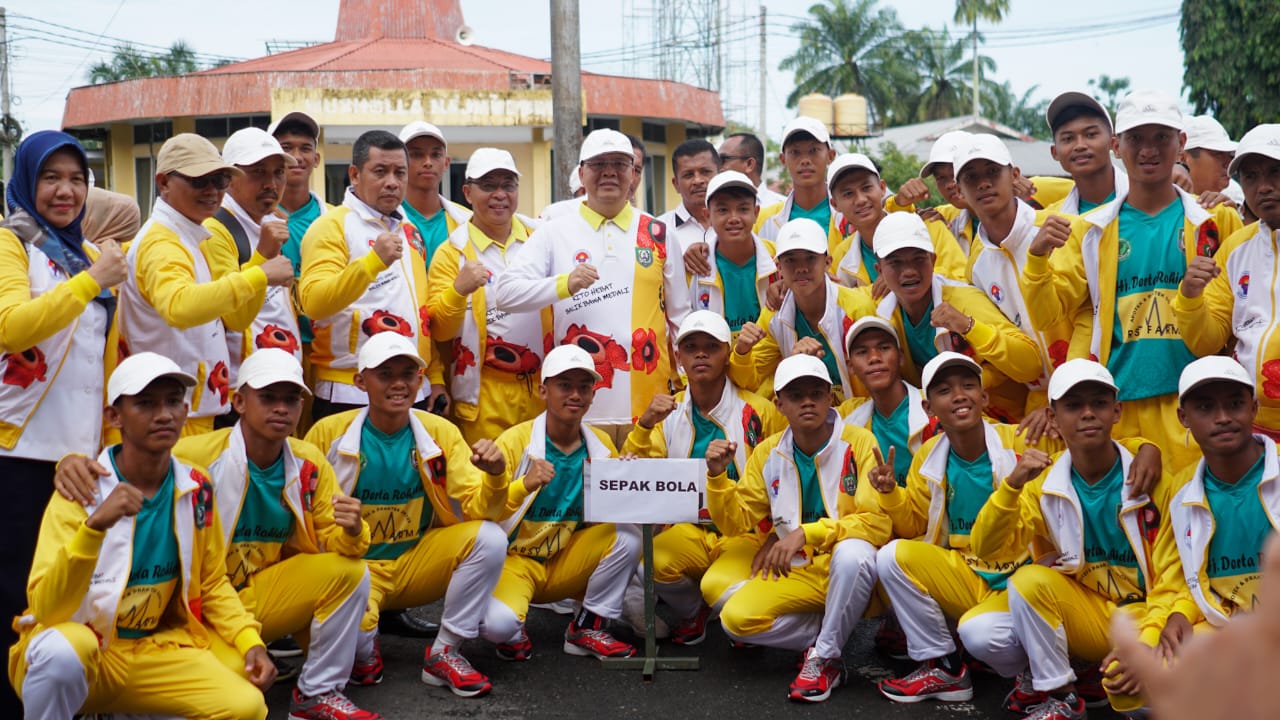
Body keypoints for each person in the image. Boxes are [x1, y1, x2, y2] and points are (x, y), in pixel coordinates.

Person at [55, 349, 379, 720]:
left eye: (291, 399)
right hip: (195, 608)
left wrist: (354, 531)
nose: (281, 408)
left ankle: (317, 693)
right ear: (239, 401)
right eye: (268, 397)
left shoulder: (308, 462)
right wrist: (70, 461)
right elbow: (127, 458)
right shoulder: (197, 454)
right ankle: (114, 701)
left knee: (351, 572)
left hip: (251, 596)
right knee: (226, 690)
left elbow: (340, 544)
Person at [8, 353, 273, 720]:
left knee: (246, 706)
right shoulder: (81, 489)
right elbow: (48, 609)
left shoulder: (196, 484)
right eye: (145, 403)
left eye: (173, 401)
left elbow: (211, 581)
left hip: (155, 652)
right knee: (61, 654)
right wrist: (93, 529)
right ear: (114, 417)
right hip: (93, 656)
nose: (163, 414)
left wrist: (250, 641)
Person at [1021, 89, 1244, 467]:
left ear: (1181, 145)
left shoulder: (1215, 222)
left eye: (1162, 137)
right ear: (1117, 146)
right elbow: (1046, 317)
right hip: (1121, 413)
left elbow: (1221, 330)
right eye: (1136, 138)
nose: (1149, 150)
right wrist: (1037, 258)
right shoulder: (1090, 231)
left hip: (1197, 406)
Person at [303, 332, 508, 698]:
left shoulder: (440, 431)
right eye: (385, 374)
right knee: (355, 654)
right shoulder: (327, 433)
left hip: (416, 562)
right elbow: (305, 517)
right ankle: (364, 647)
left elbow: (479, 507)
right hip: (356, 570)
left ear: (420, 379)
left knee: (490, 538)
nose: (398, 384)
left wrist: (495, 477)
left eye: (408, 374)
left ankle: (445, 651)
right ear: (360, 381)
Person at [0, 131, 127, 717]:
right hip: (19, 451)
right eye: (52, 177)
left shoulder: (81, 253)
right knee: (13, 594)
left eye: (78, 178)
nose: (66, 190)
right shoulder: (10, 244)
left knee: (62, 594)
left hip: (76, 456)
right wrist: (92, 281)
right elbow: (11, 326)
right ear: (28, 180)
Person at [969, 359, 1170, 720]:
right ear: (1053, 417)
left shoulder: (1151, 477)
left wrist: (1147, 638)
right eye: (1074, 406)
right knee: (983, 629)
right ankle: (1060, 695)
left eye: (1099, 403)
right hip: (1087, 609)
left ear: (1117, 411)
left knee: (1152, 702)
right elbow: (985, 548)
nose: (1088, 414)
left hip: (1147, 613)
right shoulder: (1042, 482)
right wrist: (1011, 486)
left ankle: (1100, 673)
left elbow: (1175, 577)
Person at [876, 352, 1061, 704]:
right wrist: (890, 494)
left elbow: (1086, 457)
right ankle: (944, 666)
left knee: (978, 633)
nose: (959, 395)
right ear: (929, 407)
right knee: (891, 558)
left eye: (968, 386)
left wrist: (1144, 448)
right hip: (969, 574)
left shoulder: (1022, 441)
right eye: (945, 390)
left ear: (984, 397)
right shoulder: (929, 455)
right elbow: (914, 524)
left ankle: (1036, 671)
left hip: (1024, 580)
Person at [707, 353, 889, 703]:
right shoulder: (767, 453)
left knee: (854, 553)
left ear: (829, 398)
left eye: (816, 393)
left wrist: (806, 533)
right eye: (795, 395)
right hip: (800, 571)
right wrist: (716, 478)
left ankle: (825, 658)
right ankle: (830, 633)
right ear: (779, 404)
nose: (807, 401)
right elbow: (736, 522)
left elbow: (876, 523)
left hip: (849, 570)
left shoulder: (861, 442)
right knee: (734, 618)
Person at [493, 128, 691, 446]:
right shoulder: (553, 231)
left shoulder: (658, 231)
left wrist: (688, 387)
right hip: (577, 406)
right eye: (599, 164)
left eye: (620, 164)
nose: (609, 172)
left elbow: (680, 316)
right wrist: (564, 284)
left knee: (643, 494)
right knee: (583, 495)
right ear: (582, 173)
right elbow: (506, 293)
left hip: (650, 407)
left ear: (634, 173)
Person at [623, 311, 784, 644]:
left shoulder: (760, 410)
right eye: (691, 346)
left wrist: (777, 535)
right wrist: (644, 425)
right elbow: (643, 468)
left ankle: (729, 608)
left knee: (725, 594)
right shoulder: (668, 411)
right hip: (690, 529)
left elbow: (785, 475)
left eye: (711, 346)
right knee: (646, 564)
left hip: (746, 532)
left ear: (727, 353)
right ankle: (695, 610)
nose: (700, 354)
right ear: (678, 357)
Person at [116, 133, 292, 436]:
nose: (212, 191)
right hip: (170, 417)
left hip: (192, 412)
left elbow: (236, 319)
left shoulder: (190, 234)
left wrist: (258, 266)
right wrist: (260, 274)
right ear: (163, 182)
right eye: (199, 181)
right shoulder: (162, 241)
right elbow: (179, 306)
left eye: (220, 180)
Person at [478, 345, 642, 661]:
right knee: (497, 627)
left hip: (565, 560)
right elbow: (483, 512)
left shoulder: (601, 444)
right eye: (564, 385)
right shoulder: (515, 441)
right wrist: (523, 485)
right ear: (543, 390)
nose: (575, 395)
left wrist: (627, 479)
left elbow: (604, 515)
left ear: (594, 394)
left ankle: (587, 627)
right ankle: (512, 624)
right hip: (515, 563)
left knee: (628, 536)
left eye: (584, 387)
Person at [299, 129, 446, 421]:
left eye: (399, 173)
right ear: (355, 174)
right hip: (349, 390)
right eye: (380, 172)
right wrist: (371, 264)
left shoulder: (409, 230)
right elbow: (313, 302)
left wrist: (436, 374)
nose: (392, 182)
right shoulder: (331, 226)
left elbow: (420, 311)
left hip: (413, 389)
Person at [872, 211, 1043, 421]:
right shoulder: (883, 315)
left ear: (933, 260)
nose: (908, 271)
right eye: (895, 263)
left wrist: (969, 327)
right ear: (879, 270)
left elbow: (1031, 365)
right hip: (947, 428)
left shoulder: (964, 300)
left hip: (1007, 423)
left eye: (918, 259)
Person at [428, 148, 548, 446]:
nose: (499, 194)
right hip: (485, 391)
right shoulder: (451, 252)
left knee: (540, 484)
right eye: (488, 185)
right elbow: (439, 330)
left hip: (543, 388)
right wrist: (459, 291)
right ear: (467, 193)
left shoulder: (543, 238)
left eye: (508, 185)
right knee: (489, 484)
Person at [958, 134, 1082, 418]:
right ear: (959, 190)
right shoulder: (975, 265)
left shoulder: (1060, 228)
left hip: (1092, 389)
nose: (984, 183)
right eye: (971, 177)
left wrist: (1067, 395)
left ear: (1014, 175)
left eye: (992, 171)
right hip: (1038, 406)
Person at [1161, 356, 1279, 650]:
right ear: (1183, 417)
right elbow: (1183, 575)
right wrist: (1178, 614)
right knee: (1165, 665)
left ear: (1253, 408)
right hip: (1229, 626)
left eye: (1235, 404)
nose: (1223, 416)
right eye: (1205, 407)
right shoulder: (1180, 493)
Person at [1175, 124, 1280, 437]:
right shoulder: (1235, 248)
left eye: (1274, 171)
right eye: (1250, 176)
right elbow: (1207, 341)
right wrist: (1190, 296)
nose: (1263, 187)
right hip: (1254, 429)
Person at [1109, 533, 1280, 720]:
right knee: (1123, 679)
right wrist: (1180, 612)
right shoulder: (1189, 505)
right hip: (1217, 617)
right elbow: (1188, 575)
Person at [730, 218, 875, 403]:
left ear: (828, 262)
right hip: (807, 419)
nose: (801, 268)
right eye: (791, 260)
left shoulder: (857, 308)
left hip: (860, 413)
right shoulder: (774, 313)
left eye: (810, 258)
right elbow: (749, 381)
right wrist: (742, 352)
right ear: (779, 267)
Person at [207, 127, 304, 385]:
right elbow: (233, 317)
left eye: (278, 173)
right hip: (244, 385)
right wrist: (263, 255)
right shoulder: (216, 229)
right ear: (229, 177)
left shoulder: (270, 221)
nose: (271, 184)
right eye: (258, 172)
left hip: (282, 376)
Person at [827, 152, 967, 295]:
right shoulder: (841, 255)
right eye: (848, 194)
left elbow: (961, 281)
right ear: (835, 204)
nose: (861, 199)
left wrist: (898, 282)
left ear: (882, 188)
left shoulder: (930, 228)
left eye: (866, 188)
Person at [838, 316, 935, 488]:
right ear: (850, 366)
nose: (874, 358)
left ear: (901, 357)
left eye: (884, 348)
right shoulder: (848, 419)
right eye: (862, 352)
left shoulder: (933, 406)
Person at [684, 171, 777, 337]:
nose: (734, 218)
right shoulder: (694, 267)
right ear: (708, 216)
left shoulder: (779, 259)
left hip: (770, 361)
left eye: (743, 209)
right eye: (723, 210)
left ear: (756, 213)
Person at [753, 117, 839, 250]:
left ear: (830, 156)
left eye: (814, 151)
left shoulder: (848, 214)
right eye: (795, 152)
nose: (805, 160)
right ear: (783, 160)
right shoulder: (762, 220)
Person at [1043, 91, 1129, 215]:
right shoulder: (1051, 222)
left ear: (1113, 142)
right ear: (1054, 152)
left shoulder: (1152, 202)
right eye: (1068, 138)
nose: (1080, 146)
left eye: (1091, 135)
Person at [399, 122, 472, 265]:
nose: (427, 162)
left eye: (435, 154)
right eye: (416, 154)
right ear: (400, 162)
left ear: (446, 163)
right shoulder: (383, 219)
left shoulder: (467, 221)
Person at [657, 139, 719, 257]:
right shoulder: (659, 230)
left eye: (705, 172)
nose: (698, 181)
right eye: (688, 175)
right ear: (676, 184)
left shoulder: (737, 225)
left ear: (720, 175)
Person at [718, 131, 785, 208]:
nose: (718, 167)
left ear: (749, 164)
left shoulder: (784, 209)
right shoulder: (713, 207)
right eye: (716, 160)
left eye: (723, 159)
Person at [1180, 115, 1237, 196]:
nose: (1229, 164)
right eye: (1218, 154)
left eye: (1231, 156)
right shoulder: (1160, 205)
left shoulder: (1226, 205)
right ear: (1183, 159)